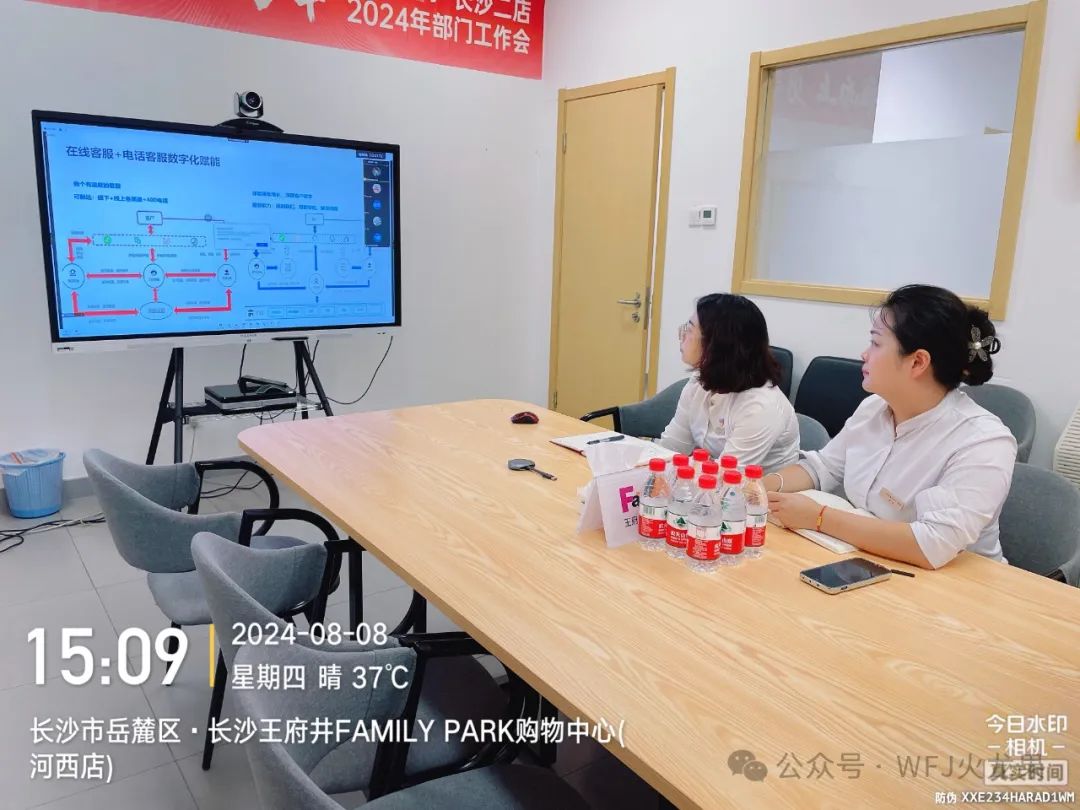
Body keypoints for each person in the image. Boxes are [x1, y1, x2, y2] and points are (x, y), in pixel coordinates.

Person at [766, 285, 1017, 570]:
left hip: (962, 584)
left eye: (875, 343)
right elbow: (822, 468)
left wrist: (819, 517)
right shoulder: (874, 408)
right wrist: (758, 487)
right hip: (876, 563)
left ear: (917, 362)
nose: (864, 354)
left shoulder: (983, 442)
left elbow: (932, 544)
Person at [659, 293, 799, 472]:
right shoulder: (699, 382)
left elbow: (726, 477)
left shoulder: (760, 407)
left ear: (716, 345)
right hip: (711, 482)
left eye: (690, 329)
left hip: (759, 487)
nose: (682, 335)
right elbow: (671, 448)